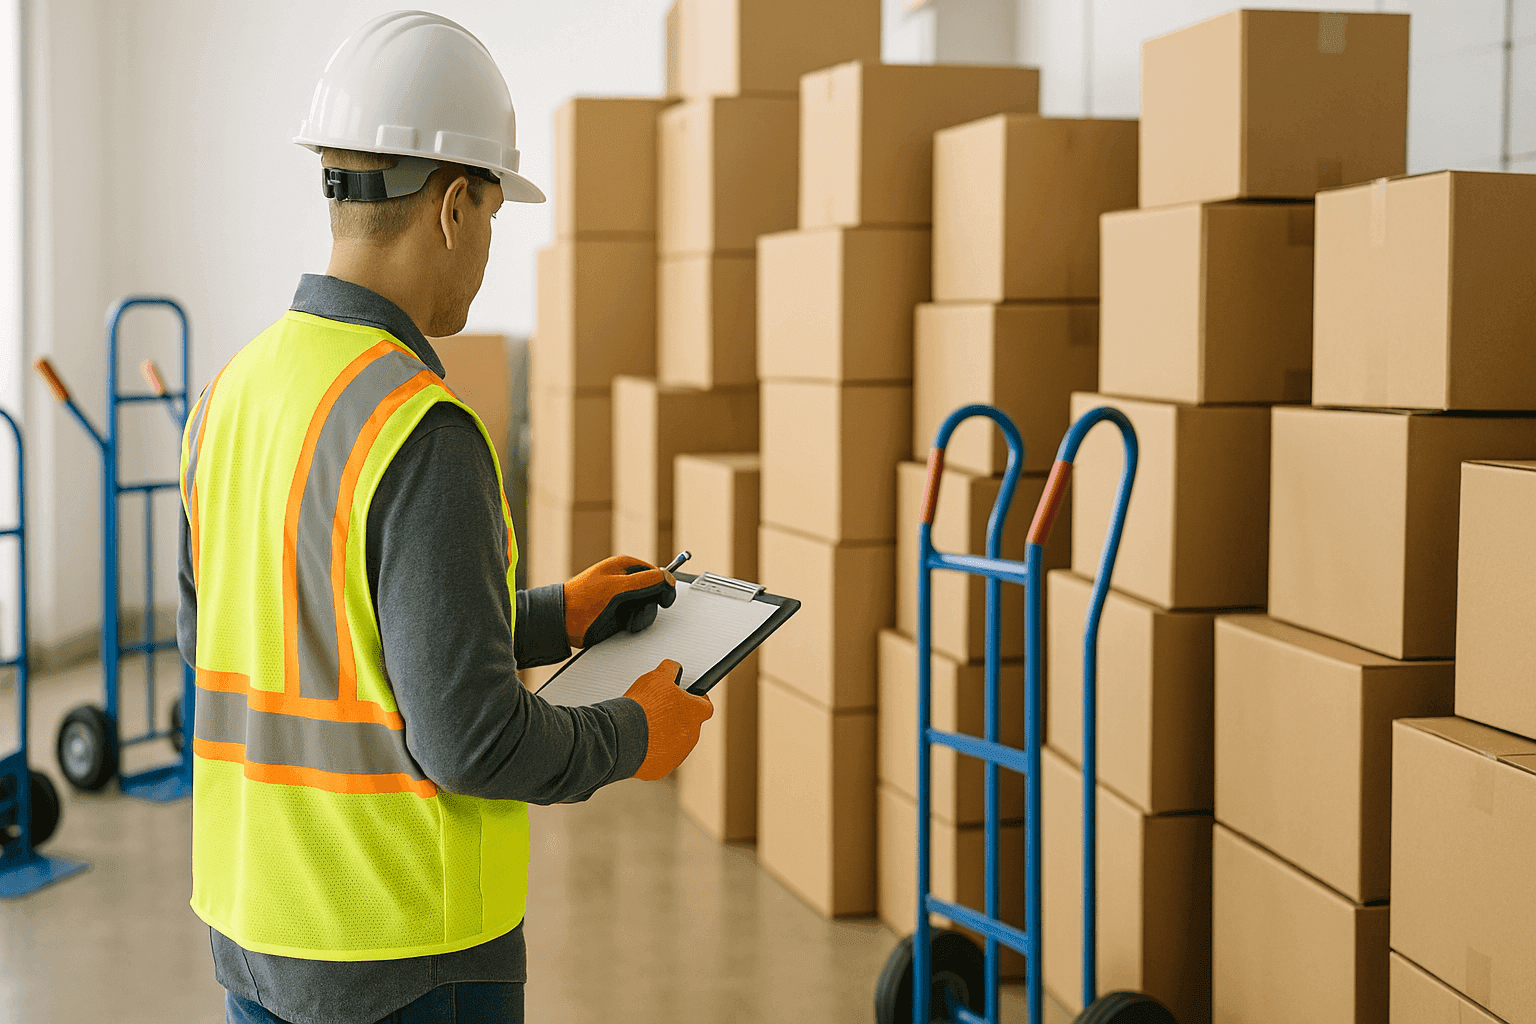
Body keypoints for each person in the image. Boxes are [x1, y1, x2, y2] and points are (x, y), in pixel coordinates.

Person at [175, 12, 714, 1024]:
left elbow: (305, 634)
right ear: (456, 206)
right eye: (497, 215)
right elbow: (471, 738)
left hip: (255, 935)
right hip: (405, 953)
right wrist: (635, 734)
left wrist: (554, 613)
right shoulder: (419, 426)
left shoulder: (229, 396)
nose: (488, 250)